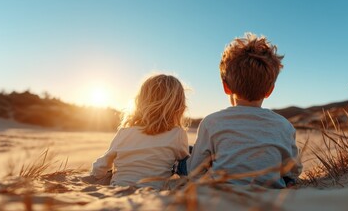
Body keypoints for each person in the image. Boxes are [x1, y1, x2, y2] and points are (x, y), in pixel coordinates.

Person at [187, 33, 302, 188]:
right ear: (269, 90)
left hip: (221, 198)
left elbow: (194, 172)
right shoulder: (284, 126)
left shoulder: (211, 123)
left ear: (225, 86)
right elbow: (294, 170)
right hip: (272, 199)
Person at [90, 74, 189, 189]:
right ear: (179, 106)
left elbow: (100, 167)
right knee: (188, 153)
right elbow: (186, 164)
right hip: (155, 190)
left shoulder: (124, 133)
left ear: (140, 101)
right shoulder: (177, 134)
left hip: (118, 188)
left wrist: (102, 175)